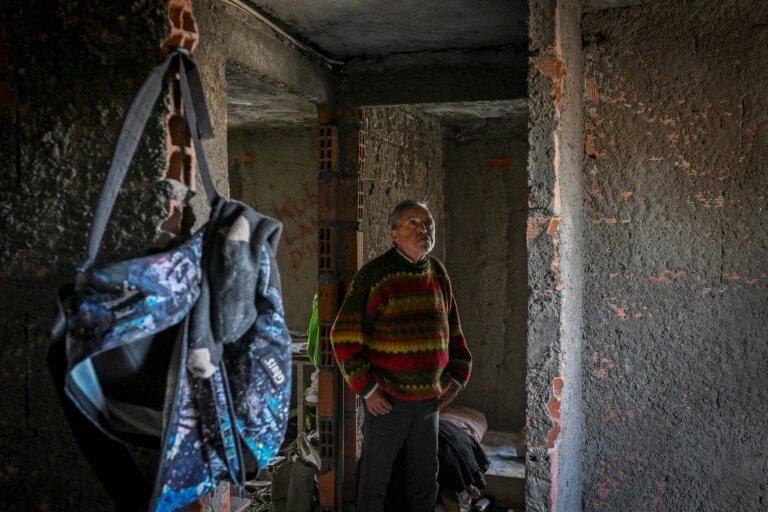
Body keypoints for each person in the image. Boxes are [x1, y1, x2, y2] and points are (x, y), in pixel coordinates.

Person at [331, 199, 472, 511]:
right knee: (375, 479)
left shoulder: (437, 272)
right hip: (387, 402)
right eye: (413, 223)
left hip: (429, 402)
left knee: (426, 479)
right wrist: (368, 389)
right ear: (394, 234)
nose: (424, 230)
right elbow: (343, 337)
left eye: (428, 223)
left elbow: (453, 331)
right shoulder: (376, 276)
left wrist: (457, 378)